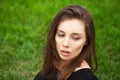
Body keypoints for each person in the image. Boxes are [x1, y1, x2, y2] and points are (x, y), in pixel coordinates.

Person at [34, 4, 98, 80]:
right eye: (61, 35)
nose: (65, 44)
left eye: (75, 38)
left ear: (86, 41)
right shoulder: (53, 64)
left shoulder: (86, 78)